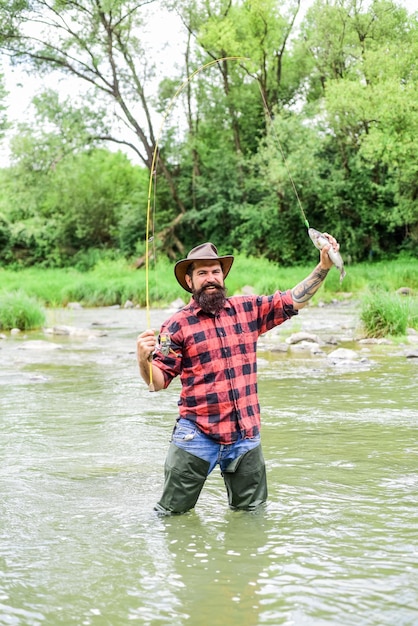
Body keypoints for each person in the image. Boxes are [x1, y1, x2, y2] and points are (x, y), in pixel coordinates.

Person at [137, 236, 340, 515]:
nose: (211, 278)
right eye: (202, 273)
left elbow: (292, 300)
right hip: (196, 436)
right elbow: (156, 382)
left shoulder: (248, 309)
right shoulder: (175, 326)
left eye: (216, 271)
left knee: (253, 516)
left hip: (245, 435)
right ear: (189, 281)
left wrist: (324, 266)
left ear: (223, 276)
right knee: (172, 517)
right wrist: (142, 358)